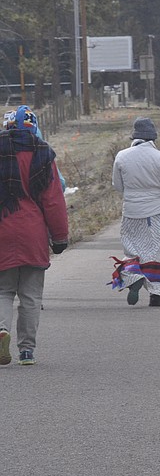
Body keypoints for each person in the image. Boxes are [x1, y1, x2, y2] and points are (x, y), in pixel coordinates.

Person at [0, 106, 69, 366]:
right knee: (30, 296)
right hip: (33, 232)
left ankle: (1, 330)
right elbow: (53, 201)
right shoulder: (43, 154)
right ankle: (27, 351)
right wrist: (60, 237)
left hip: (2, 229)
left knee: (3, 290)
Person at [111, 117, 160, 307]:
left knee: (132, 248)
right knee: (157, 251)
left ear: (134, 136)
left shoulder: (121, 156)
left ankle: (133, 276)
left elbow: (118, 186)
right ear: (153, 137)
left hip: (131, 210)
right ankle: (156, 293)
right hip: (157, 211)